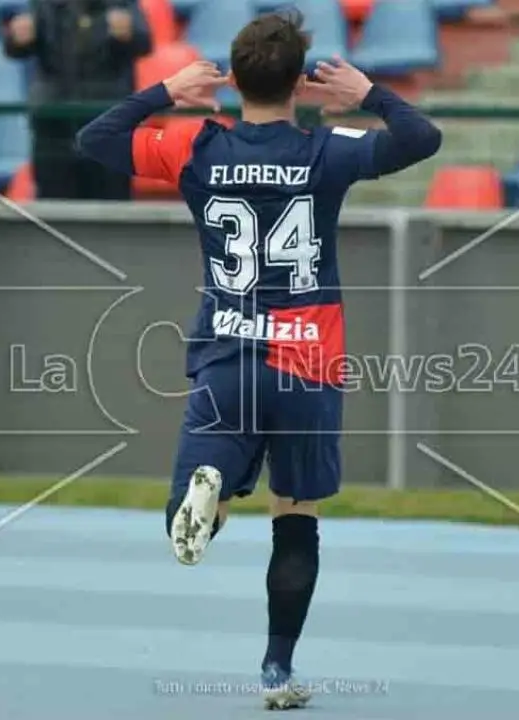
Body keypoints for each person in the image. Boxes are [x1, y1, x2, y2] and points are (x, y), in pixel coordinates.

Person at [74, 9, 441, 711]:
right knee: (295, 513)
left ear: (233, 79)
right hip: (307, 361)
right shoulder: (328, 150)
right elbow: (422, 138)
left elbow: (95, 139)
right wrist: (369, 94)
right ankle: (277, 670)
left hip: (226, 350)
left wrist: (165, 92)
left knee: (188, 506)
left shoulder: (195, 148)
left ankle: (212, 488)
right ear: (300, 84)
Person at [3, 0, 152, 200]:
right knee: (54, 205)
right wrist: (17, 37)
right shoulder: (44, 5)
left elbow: (145, 43)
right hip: (53, 125)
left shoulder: (120, 3)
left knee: (110, 205)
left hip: (106, 123)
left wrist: (128, 34)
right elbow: (15, 47)